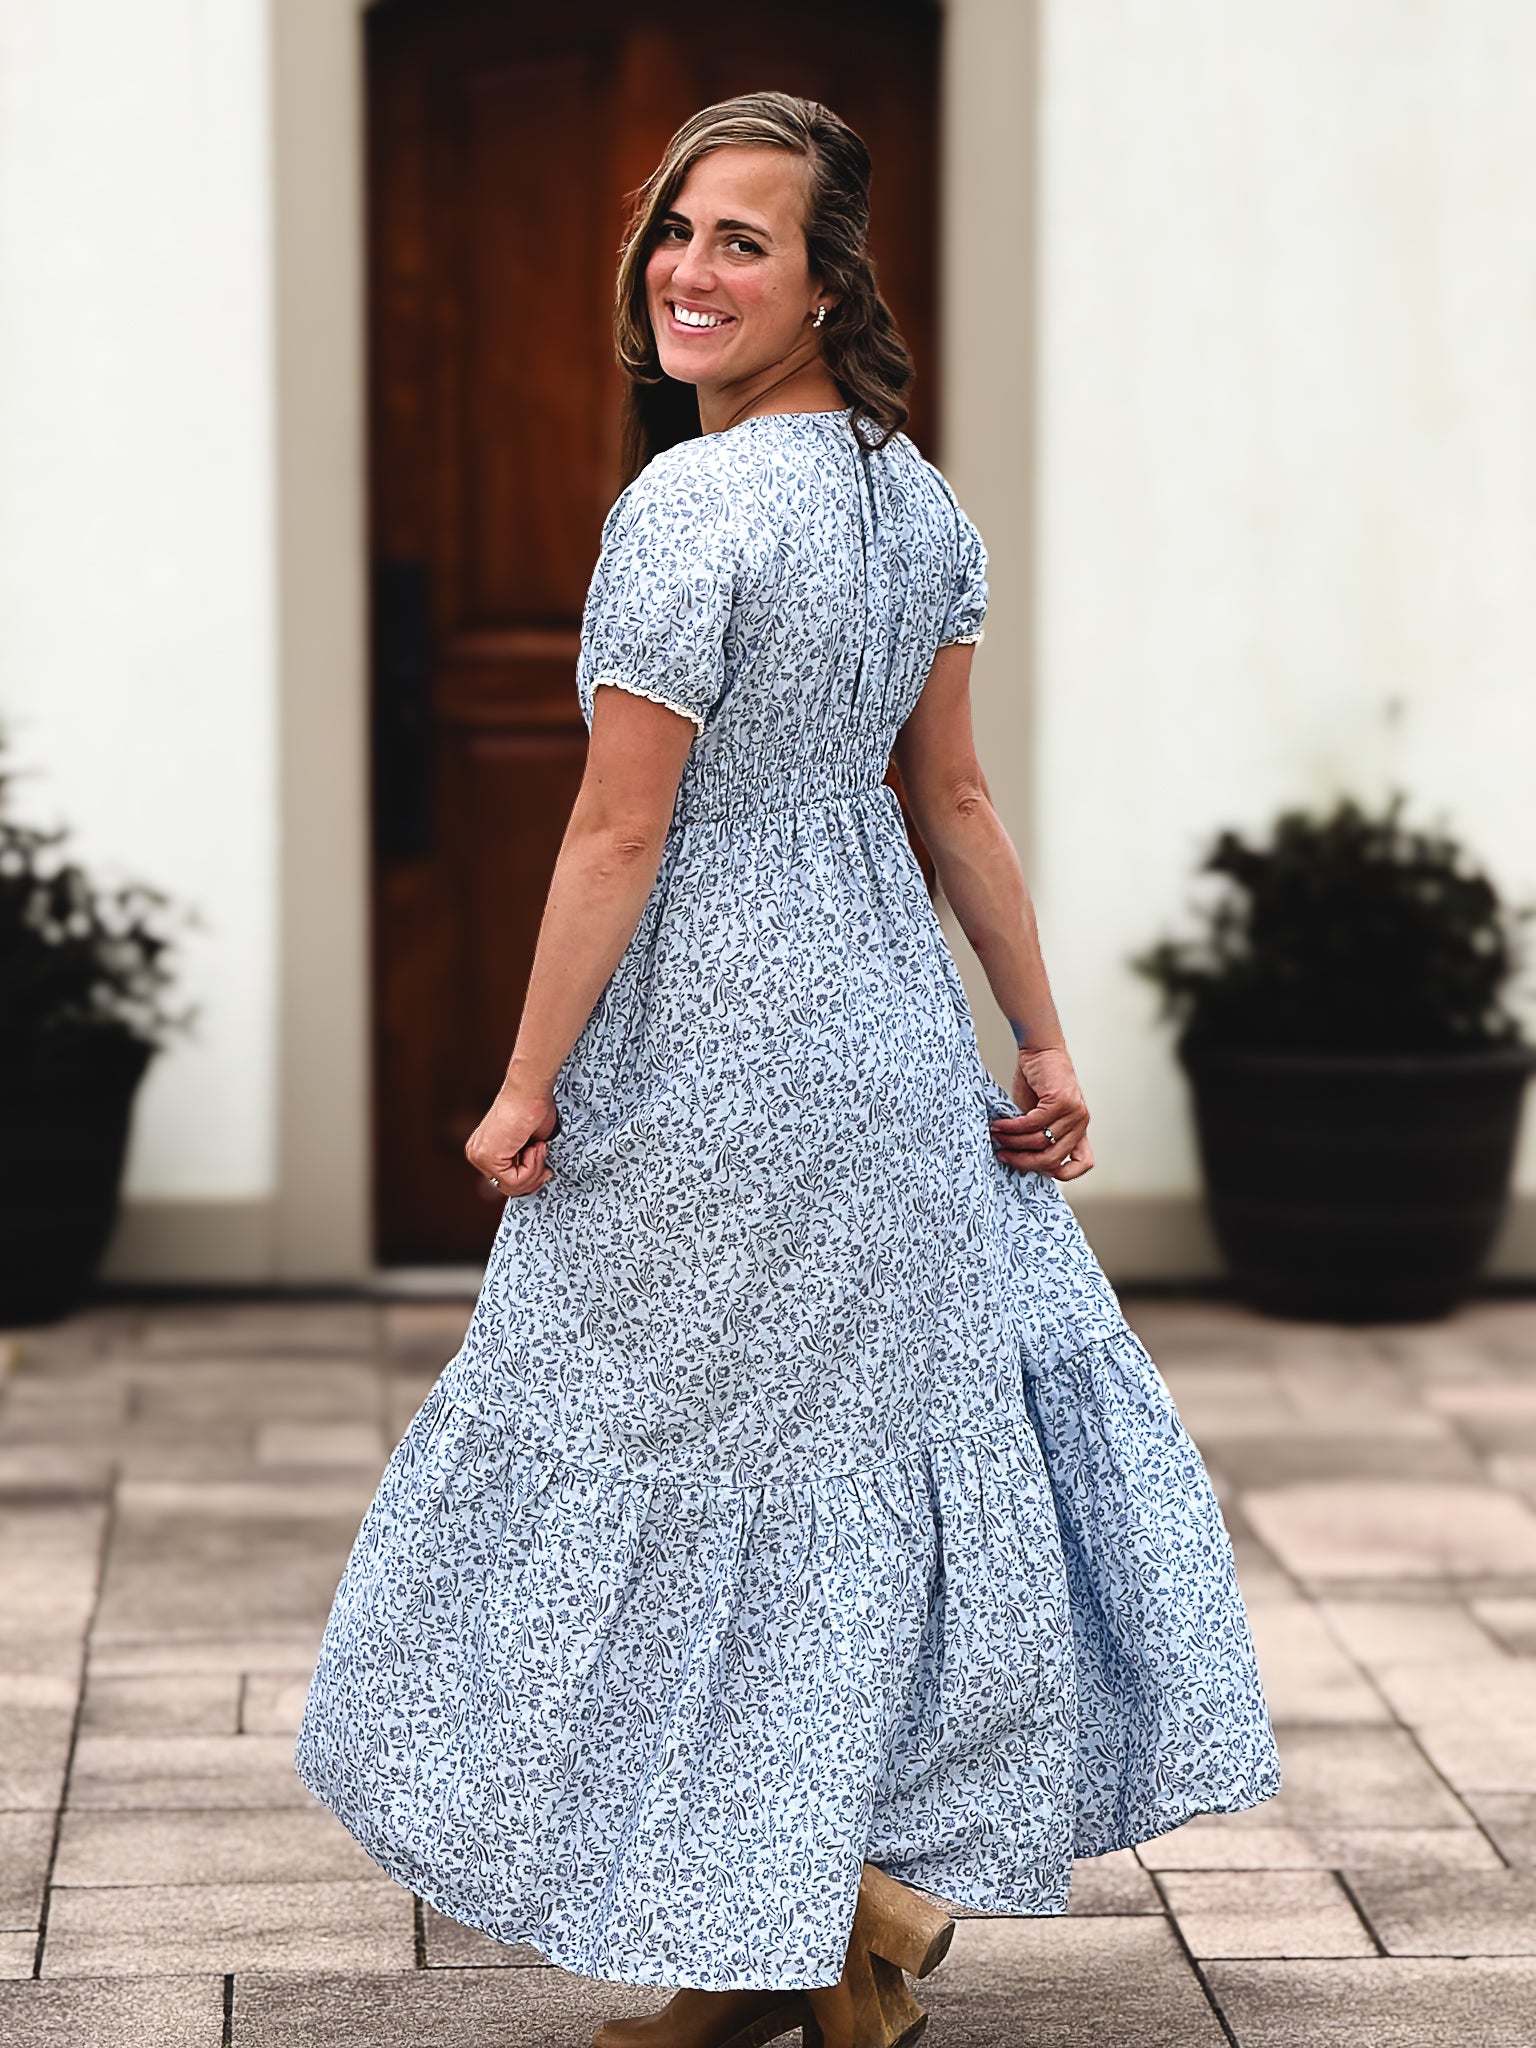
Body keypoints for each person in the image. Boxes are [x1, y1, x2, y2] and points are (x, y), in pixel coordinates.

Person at [296, 90, 1279, 2048]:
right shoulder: (921, 506)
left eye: (744, 239)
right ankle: (830, 1923)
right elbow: (956, 806)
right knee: (833, 1480)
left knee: (696, 1477)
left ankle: (779, 1943)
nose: (690, 268)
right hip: (892, 1058)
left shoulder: (685, 508)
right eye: (676, 229)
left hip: (721, 1069)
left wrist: (520, 1082)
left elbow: (615, 835)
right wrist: (1037, 1031)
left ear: (830, 282)